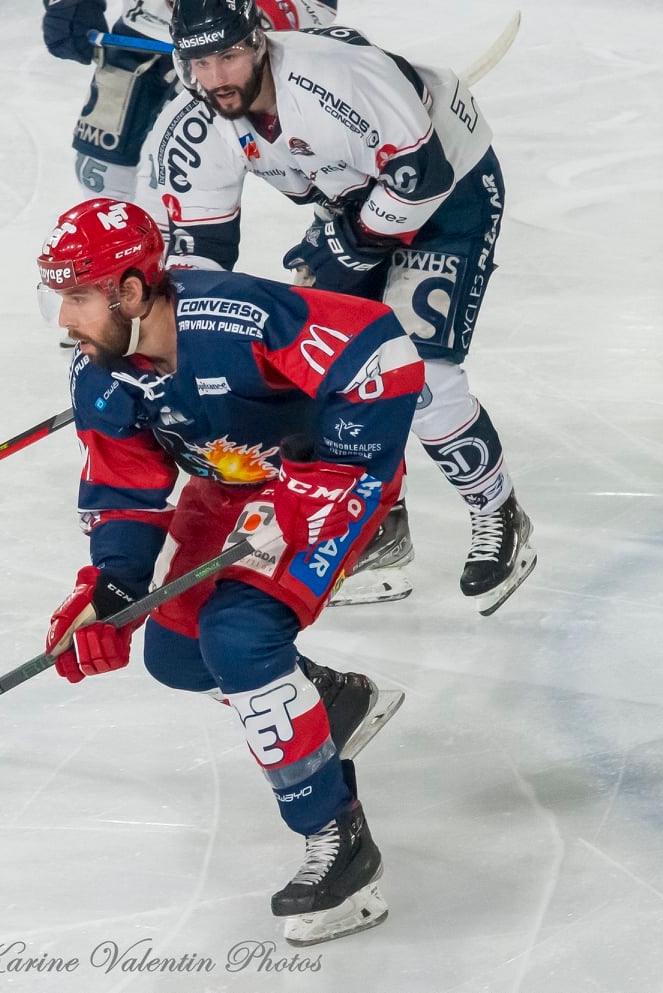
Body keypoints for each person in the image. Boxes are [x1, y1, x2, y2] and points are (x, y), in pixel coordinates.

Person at [37, 196, 422, 945]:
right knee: (179, 655)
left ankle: (338, 840)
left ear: (130, 289)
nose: (65, 320)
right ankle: (329, 702)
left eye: (79, 297)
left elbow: (379, 354)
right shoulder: (104, 372)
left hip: (328, 481)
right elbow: (123, 484)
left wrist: (321, 483)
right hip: (233, 486)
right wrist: (115, 584)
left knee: (240, 638)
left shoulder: (232, 318)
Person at [140, 0, 537, 614]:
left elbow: (420, 175)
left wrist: (350, 245)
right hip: (353, 201)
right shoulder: (192, 126)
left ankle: (498, 512)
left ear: (260, 43)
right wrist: (180, 353)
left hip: (449, 193)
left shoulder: (332, 76)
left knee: (422, 373)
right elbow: (200, 256)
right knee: (325, 371)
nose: (217, 76)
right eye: (200, 61)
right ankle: (381, 528)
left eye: (229, 56)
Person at [39, 0, 336, 203]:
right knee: (98, 171)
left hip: (226, 49)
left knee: (172, 178)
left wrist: (247, 20)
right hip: (142, 28)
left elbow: (317, 7)